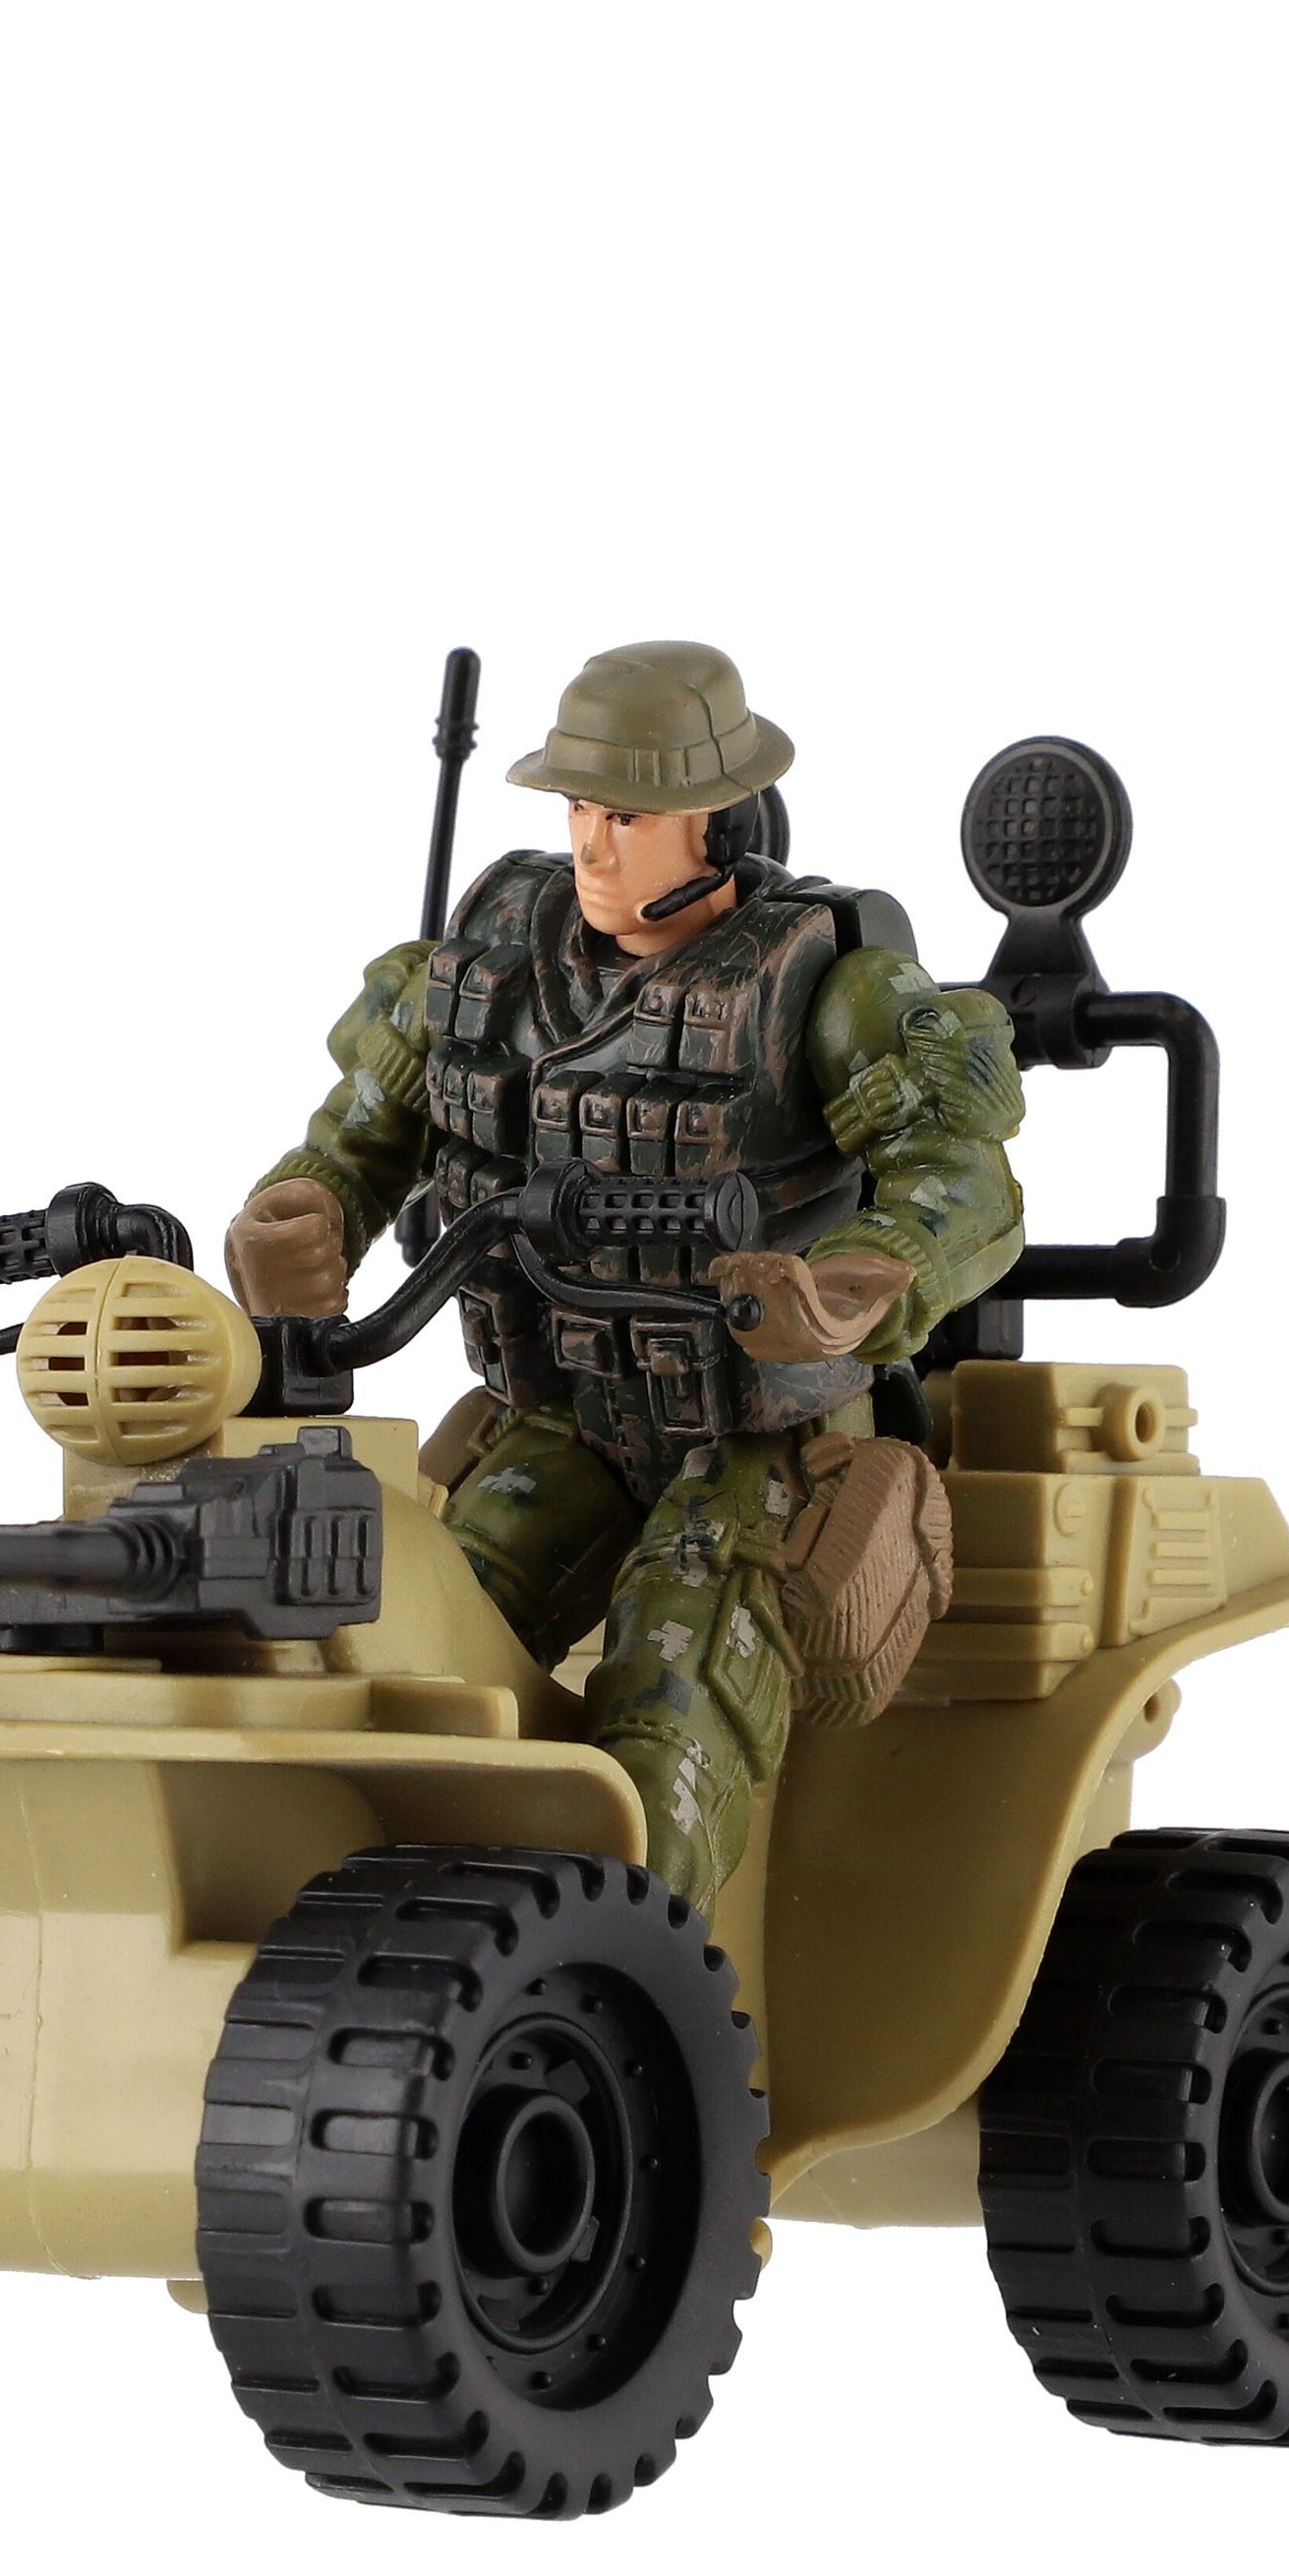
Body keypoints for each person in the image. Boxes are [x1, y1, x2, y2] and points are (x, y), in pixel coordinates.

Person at [225, 640, 1025, 1904]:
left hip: (762, 1441)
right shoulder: (487, 960)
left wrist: (860, 1277)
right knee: (400, 1665)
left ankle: (633, 1969)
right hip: (563, 1425)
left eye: (630, 818)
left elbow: (964, 1182)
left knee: (664, 1739)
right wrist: (307, 1211)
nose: (594, 847)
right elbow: (363, 1135)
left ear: (715, 822)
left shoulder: (827, 983)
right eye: (581, 811)